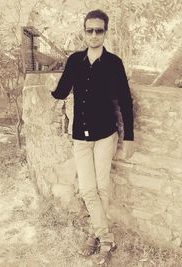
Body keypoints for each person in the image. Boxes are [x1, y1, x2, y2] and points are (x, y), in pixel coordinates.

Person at [51, 9, 134, 265]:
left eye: (99, 30)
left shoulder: (114, 63)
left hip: (105, 135)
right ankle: (105, 235)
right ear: (83, 32)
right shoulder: (75, 61)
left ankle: (93, 234)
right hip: (80, 137)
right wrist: (51, 94)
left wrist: (128, 136)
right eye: (90, 30)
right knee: (88, 189)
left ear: (105, 32)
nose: (94, 35)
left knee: (101, 188)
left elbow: (125, 102)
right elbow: (62, 90)